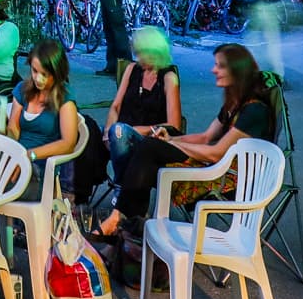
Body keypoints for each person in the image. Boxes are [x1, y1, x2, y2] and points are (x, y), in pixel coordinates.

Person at [95, 41, 276, 237]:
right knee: (148, 154)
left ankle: (120, 218)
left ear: (237, 71)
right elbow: (205, 137)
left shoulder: (253, 111)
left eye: (220, 66)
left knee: (148, 149)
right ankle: (129, 223)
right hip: (216, 163)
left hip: (228, 178)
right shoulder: (234, 104)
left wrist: (171, 143)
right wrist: (170, 139)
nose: (213, 70)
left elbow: (216, 154)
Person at [102, 26, 185, 187]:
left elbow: (174, 124)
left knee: (121, 134)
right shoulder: (132, 69)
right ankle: (75, 194)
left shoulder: (168, 78)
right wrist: (107, 131)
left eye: (142, 53)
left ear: (154, 52)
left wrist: (132, 130)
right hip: (119, 131)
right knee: (88, 130)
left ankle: (122, 189)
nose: (138, 58)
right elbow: (115, 106)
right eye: (137, 53)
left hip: (148, 137)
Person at [0, 37, 80, 200]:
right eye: (35, 71)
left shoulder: (65, 98)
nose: (38, 79)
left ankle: (6, 221)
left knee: (0, 180)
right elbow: (13, 130)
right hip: (16, 156)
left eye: (45, 74)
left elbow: (68, 143)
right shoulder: (22, 89)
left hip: (41, 164)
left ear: (57, 73)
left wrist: (29, 155)